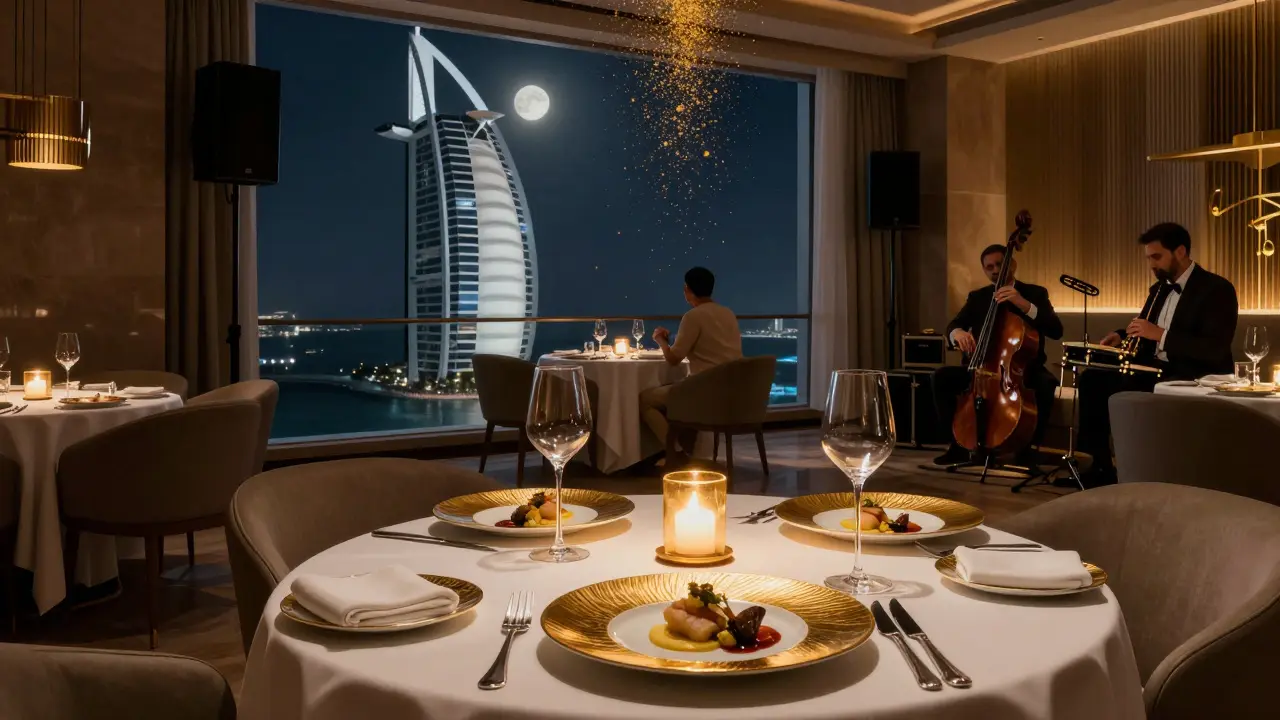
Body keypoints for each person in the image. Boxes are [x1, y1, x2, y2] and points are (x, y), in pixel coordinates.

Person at [1075, 222, 1237, 487]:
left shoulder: (1217, 289)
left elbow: (1214, 349)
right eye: (1149, 258)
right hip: (1155, 369)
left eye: (1157, 257)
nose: (1151, 264)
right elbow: (1147, 324)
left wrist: (1160, 335)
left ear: (1181, 252)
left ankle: (1146, 475)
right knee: (1093, 379)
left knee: (1128, 384)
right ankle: (1099, 468)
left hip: (1193, 373)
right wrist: (1122, 334)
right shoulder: (1159, 288)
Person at [932, 243, 1064, 467]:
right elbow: (954, 324)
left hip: (1022, 369)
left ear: (1011, 263)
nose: (994, 270)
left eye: (999, 264)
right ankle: (958, 446)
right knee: (941, 377)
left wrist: (1022, 304)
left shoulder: (1034, 293)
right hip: (980, 368)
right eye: (988, 267)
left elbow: (1055, 330)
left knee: (1046, 383)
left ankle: (1028, 449)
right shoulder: (979, 297)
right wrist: (958, 333)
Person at [640, 267, 743, 458]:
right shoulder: (727, 313)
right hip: (731, 392)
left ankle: (675, 452)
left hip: (704, 393)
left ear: (687, 290)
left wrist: (660, 340)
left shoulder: (693, 316)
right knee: (673, 390)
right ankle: (685, 447)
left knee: (645, 400)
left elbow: (673, 359)